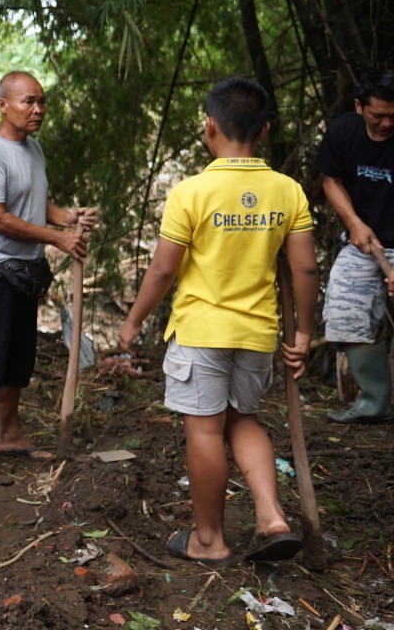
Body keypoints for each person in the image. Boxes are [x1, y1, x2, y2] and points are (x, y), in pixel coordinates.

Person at [122, 76, 316, 566]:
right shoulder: (288, 191)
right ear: (264, 130)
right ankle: (271, 516)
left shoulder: (192, 192)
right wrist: (304, 333)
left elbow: (163, 270)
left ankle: (209, 541)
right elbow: (305, 270)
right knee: (242, 420)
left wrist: (133, 322)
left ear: (210, 126)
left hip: (202, 331)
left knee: (206, 430)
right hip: (257, 333)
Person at [0, 71, 95, 485]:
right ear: (3, 106)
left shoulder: (33, 148)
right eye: (28, 102)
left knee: (19, 358)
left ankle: (9, 435)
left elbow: (38, 202)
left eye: (42, 102)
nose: (38, 110)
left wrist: (67, 218)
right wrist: (56, 238)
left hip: (24, 272)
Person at [314, 70, 394, 423]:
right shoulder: (343, 131)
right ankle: (374, 404)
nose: (387, 124)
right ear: (360, 106)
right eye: (379, 115)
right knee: (345, 316)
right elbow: (330, 180)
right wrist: (354, 223)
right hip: (363, 244)